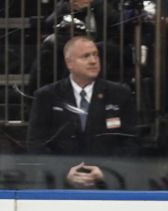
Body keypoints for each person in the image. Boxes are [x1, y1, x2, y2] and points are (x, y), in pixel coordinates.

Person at [26, 36, 138, 188]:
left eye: (95, 54)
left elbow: (131, 142)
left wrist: (107, 171)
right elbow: (36, 143)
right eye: (85, 56)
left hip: (109, 186)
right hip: (59, 188)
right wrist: (63, 172)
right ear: (69, 63)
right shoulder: (47, 96)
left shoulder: (120, 94)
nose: (93, 61)